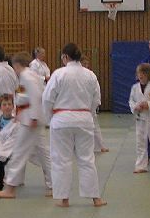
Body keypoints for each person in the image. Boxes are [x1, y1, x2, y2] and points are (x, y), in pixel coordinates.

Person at [42, 43, 107, 208]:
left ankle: (64, 199)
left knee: (61, 160)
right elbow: (96, 100)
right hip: (84, 119)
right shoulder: (90, 75)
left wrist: (50, 119)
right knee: (87, 159)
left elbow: (47, 99)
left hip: (61, 119)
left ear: (65, 57)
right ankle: (95, 198)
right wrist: (87, 113)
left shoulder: (59, 74)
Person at [0, 53, 53, 198]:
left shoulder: (27, 76)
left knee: (19, 151)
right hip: (29, 117)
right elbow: (25, 97)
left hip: (30, 119)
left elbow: (36, 96)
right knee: (43, 153)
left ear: (16, 64)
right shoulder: (30, 75)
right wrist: (19, 114)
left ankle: (10, 188)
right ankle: (54, 184)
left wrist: (33, 116)